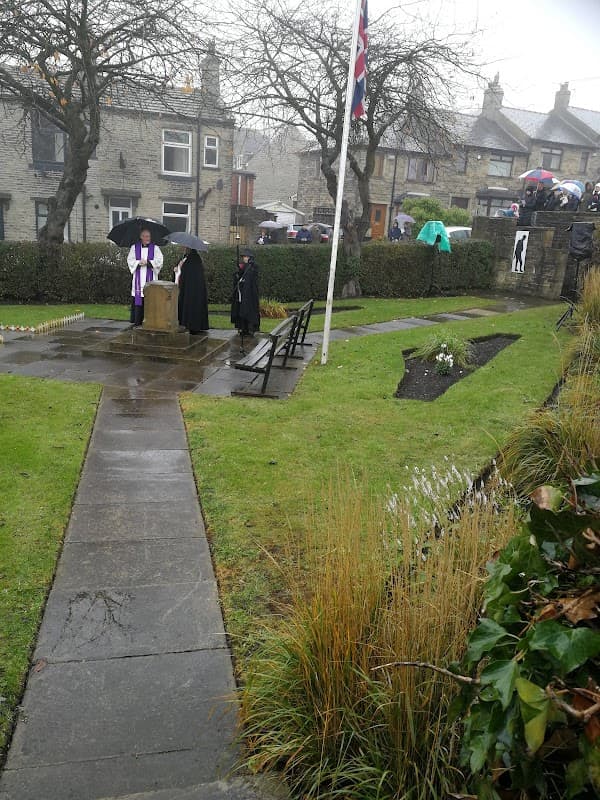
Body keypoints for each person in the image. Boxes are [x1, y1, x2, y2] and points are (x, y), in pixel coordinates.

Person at [127, 228, 163, 326]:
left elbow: (160, 261)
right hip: (138, 279)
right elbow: (130, 260)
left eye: (148, 236)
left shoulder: (155, 248)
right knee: (139, 299)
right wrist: (138, 262)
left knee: (150, 298)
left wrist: (149, 262)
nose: (147, 238)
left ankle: (150, 321)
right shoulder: (134, 248)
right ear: (141, 237)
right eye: (145, 236)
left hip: (151, 278)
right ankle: (137, 321)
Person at [177, 247, 209, 334]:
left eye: (186, 248)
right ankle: (196, 325)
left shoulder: (191, 260)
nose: (185, 249)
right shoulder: (192, 258)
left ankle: (191, 325)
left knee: (191, 306)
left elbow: (185, 273)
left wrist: (181, 267)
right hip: (194, 289)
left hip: (191, 289)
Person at [231, 248, 260, 336]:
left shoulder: (253, 267)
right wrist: (237, 275)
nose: (244, 258)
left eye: (246, 257)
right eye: (243, 257)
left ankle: (250, 328)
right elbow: (240, 276)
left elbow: (251, 279)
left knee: (249, 311)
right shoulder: (243, 267)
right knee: (241, 310)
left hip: (250, 295)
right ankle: (242, 328)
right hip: (242, 294)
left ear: (249, 257)